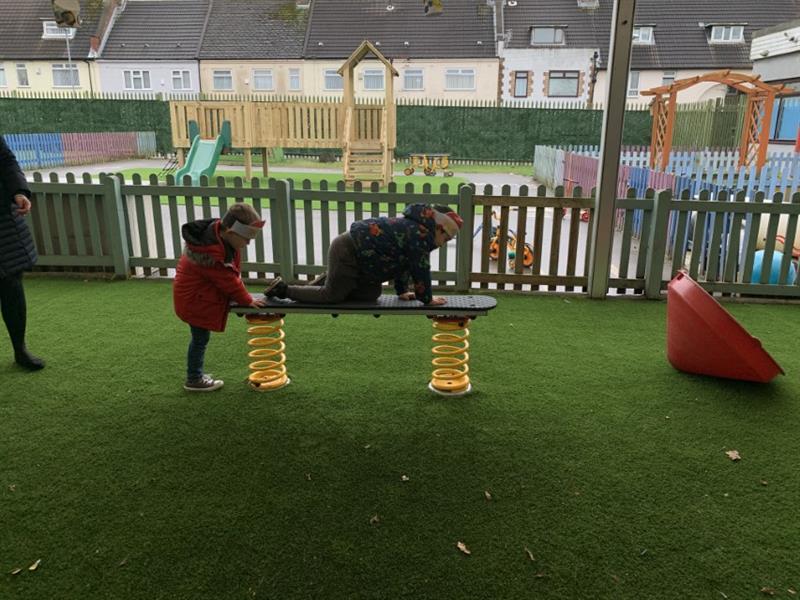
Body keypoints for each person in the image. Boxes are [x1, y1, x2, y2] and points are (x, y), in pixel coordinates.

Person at [264, 204, 462, 306]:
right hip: (348, 252)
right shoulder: (420, 234)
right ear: (439, 228)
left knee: (371, 294)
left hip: (358, 260)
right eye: (447, 239)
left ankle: (329, 281)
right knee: (331, 296)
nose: (445, 244)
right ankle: (283, 290)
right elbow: (420, 268)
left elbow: (405, 264)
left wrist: (401, 291)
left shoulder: (418, 232)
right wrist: (427, 299)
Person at [173, 203, 268, 392]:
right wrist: (246, 299)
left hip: (198, 296)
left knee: (200, 339)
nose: (248, 244)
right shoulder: (211, 254)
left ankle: (195, 375)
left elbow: (231, 274)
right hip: (194, 302)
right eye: (246, 238)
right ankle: (193, 379)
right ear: (231, 232)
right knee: (200, 339)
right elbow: (227, 280)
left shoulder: (219, 238)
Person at [0, 135, 44, 371]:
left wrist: (19, 191)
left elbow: (6, 160)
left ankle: (20, 349)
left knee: (12, 285)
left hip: (3, 220)